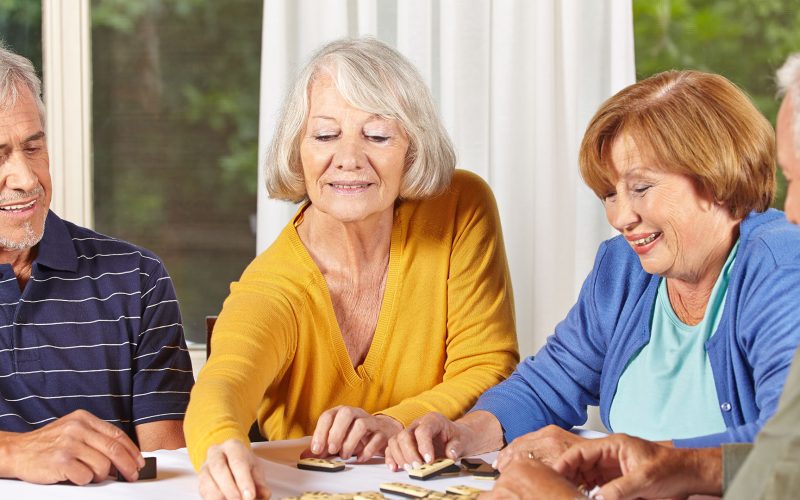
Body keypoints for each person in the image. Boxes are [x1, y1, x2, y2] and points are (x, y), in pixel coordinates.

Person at [387, 69, 800, 474]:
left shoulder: (780, 263)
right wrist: (462, 432)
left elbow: (787, 445)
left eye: (640, 188)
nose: (620, 217)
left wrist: (621, 456)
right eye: (609, 194)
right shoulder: (622, 266)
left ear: (714, 177)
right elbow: (549, 382)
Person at [184, 37, 519, 499]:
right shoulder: (273, 286)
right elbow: (224, 382)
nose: (348, 158)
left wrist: (390, 423)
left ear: (412, 149)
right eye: (325, 135)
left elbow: (489, 364)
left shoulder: (460, 207)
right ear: (297, 149)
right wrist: (222, 447)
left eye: (377, 136)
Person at [0, 43, 194, 485]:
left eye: (34, 148)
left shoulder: (137, 279)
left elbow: (172, 470)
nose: (27, 179)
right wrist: (14, 452)